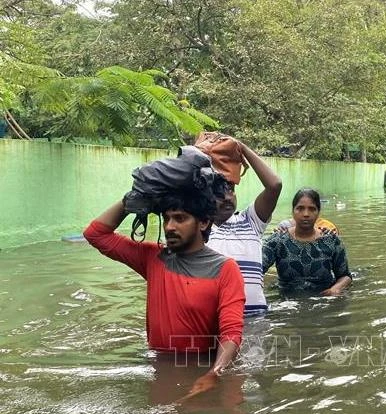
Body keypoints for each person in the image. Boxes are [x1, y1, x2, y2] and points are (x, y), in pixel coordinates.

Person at [83, 192, 245, 398]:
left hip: (202, 371)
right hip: (158, 366)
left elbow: (231, 333)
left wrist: (215, 373)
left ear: (203, 222)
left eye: (180, 218)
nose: (169, 226)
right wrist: (130, 201)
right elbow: (95, 234)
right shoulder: (153, 258)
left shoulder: (226, 269)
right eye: (166, 218)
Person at [206, 141, 282, 315]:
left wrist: (242, 148)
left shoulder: (251, 221)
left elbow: (275, 185)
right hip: (214, 324)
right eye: (219, 192)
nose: (227, 197)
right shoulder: (197, 229)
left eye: (231, 189)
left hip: (256, 324)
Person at [262, 188, 352, 296]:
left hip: (323, 299)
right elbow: (256, 270)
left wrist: (335, 289)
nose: (306, 214)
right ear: (293, 211)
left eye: (312, 209)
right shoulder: (277, 242)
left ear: (318, 212)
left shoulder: (331, 241)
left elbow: (345, 276)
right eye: (300, 208)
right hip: (288, 302)